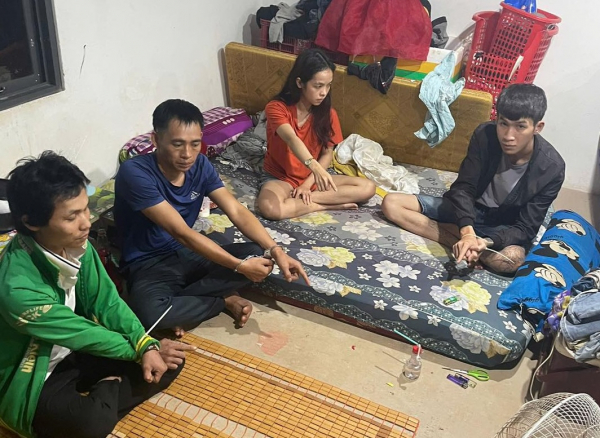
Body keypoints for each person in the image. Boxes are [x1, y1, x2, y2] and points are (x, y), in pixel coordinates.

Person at [0, 152, 191, 438]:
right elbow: (82, 333)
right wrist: (141, 351)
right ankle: (109, 386)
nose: (86, 222)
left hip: (75, 352)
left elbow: (106, 301)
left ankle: (103, 396)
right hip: (32, 371)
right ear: (31, 222)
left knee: (169, 362)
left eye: (85, 209)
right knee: (91, 425)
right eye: (71, 216)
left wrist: (144, 343)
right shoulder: (16, 286)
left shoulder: (78, 246)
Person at [115, 99, 309, 337]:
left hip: (188, 252)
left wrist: (276, 250)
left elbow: (236, 210)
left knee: (260, 256)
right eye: (177, 144)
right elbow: (181, 232)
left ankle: (186, 302)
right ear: (156, 140)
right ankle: (223, 300)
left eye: (195, 144)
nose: (187, 154)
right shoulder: (135, 173)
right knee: (152, 316)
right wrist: (238, 266)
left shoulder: (201, 165)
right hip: (148, 262)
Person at [382, 84, 565, 274]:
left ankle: (468, 243)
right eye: (503, 124)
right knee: (391, 203)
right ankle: (460, 242)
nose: (508, 136)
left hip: (500, 225)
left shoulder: (552, 169)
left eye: (520, 126)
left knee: (512, 260)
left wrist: (487, 242)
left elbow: (525, 228)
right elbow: (464, 188)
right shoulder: (485, 135)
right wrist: (467, 231)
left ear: (537, 127)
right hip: (466, 209)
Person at [256, 48, 376, 220]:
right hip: (281, 177)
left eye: (328, 85)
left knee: (368, 188)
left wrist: (307, 184)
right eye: (318, 86)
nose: (324, 92)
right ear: (300, 83)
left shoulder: (329, 114)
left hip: (312, 178)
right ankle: (326, 204)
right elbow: (291, 138)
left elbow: (327, 153)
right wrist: (315, 167)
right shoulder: (276, 108)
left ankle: (305, 199)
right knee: (270, 209)